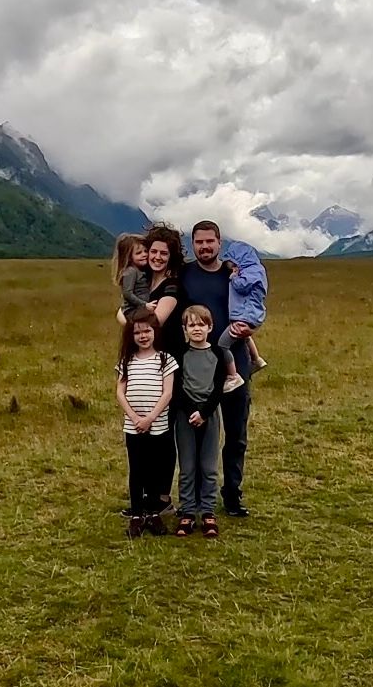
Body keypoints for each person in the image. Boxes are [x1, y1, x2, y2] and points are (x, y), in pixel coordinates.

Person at [180, 220, 253, 517]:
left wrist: (250, 326)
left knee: (236, 434)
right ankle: (195, 502)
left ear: (219, 243)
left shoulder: (234, 274)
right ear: (192, 244)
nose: (205, 247)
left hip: (236, 364)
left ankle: (232, 494)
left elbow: (254, 305)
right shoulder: (184, 275)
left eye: (210, 241)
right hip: (197, 369)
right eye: (199, 242)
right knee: (195, 434)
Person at [116, 222, 185, 517]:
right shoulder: (143, 278)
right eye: (152, 251)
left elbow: (155, 321)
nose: (156, 257)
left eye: (162, 253)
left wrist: (124, 318)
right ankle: (143, 497)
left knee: (163, 433)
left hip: (165, 364)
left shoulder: (171, 285)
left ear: (171, 256)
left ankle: (162, 498)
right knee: (142, 434)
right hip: (142, 361)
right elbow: (132, 307)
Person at [115, 309, 178, 538]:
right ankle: (136, 515)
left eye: (147, 331)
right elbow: (120, 392)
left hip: (158, 426)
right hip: (133, 427)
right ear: (131, 335)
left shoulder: (165, 359)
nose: (143, 336)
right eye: (138, 332)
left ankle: (153, 514)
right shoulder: (127, 360)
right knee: (137, 470)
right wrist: (134, 418)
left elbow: (168, 393)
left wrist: (150, 418)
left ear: (155, 332)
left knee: (154, 471)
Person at [173, 305, 226, 538]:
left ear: (210, 327)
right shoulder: (179, 355)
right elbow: (176, 388)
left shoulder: (218, 354)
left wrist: (204, 412)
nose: (197, 329)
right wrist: (192, 411)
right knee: (187, 466)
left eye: (201, 324)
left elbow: (218, 388)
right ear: (185, 329)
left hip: (210, 415)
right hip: (185, 416)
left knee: (208, 466)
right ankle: (187, 512)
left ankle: (207, 511)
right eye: (191, 325)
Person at [217, 240, 268, 393]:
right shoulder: (258, 270)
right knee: (244, 336)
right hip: (249, 314)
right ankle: (257, 359)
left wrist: (233, 277)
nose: (232, 266)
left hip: (245, 314)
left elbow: (242, 286)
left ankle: (233, 376)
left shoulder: (251, 272)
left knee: (223, 344)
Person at [111, 233, 157, 321]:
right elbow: (127, 293)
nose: (144, 255)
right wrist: (144, 305)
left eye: (145, 251)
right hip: (132, 311)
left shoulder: (142, 270)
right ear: (129, 257)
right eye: (138, 253)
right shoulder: (130, 271)